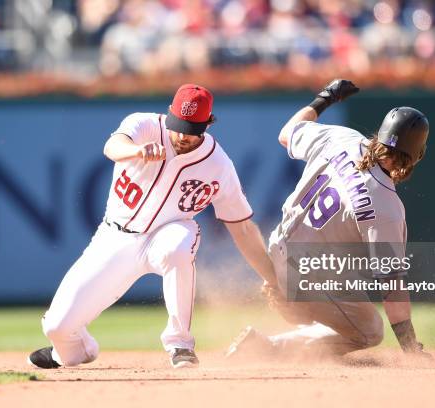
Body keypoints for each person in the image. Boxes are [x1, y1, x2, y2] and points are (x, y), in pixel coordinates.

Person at [28, 84, 276, 369]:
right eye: (179, 125)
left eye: (192, 128)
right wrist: (135, 150)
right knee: (57, 328)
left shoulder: (218, 164)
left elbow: (242, 228)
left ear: (208, 124)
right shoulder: (143, 125)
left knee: (176, 249)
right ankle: (75, 350)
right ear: (170, 113)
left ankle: (180, 344)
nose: (183, 135)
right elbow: (112, 147)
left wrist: (271, 276)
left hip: (170, 232)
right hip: (115, 238)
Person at [227, 79, 429, 358]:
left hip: (279, 247)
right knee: (370, 330)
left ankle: (286, 291)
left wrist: (326, 97)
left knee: (340, 281)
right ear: (411, 157)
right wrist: (410, 347)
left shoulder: (342, 138)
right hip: (308, 272)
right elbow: (391, 284)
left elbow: (286, 133)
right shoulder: (386, 207)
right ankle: (268, 346)